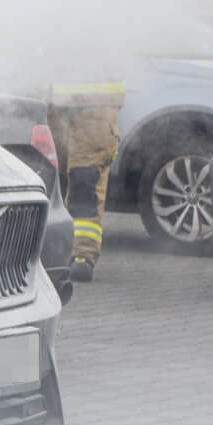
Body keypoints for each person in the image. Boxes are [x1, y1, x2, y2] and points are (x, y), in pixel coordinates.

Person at [49, 78, 126, 282]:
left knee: (84, 181)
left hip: (95, 107)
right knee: (49, 177)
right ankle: (51, 251)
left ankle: (82, 254)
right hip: (51, 103)